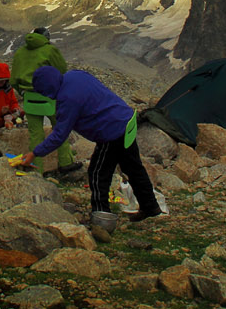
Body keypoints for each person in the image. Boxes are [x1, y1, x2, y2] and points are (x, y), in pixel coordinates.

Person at [16, 66, 163, 221]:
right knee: (133, 168)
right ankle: (151, 208)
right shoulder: (74, 75)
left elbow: (59, 135)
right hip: (124, 120)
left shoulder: (68, 99)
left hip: (110, 132)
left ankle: (101, 215)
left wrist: (35, 153)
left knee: (97, 173)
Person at [10, 28, 81, 174]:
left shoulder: (20, 52)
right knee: (60, 129)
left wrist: (22, 92)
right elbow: (61, 70)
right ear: (46, 37)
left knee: (36, 134)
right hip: (49, 97)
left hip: (29, 98)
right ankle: (65, 162)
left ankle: (37, 170)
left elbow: (13, 79)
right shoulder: (50, 50)